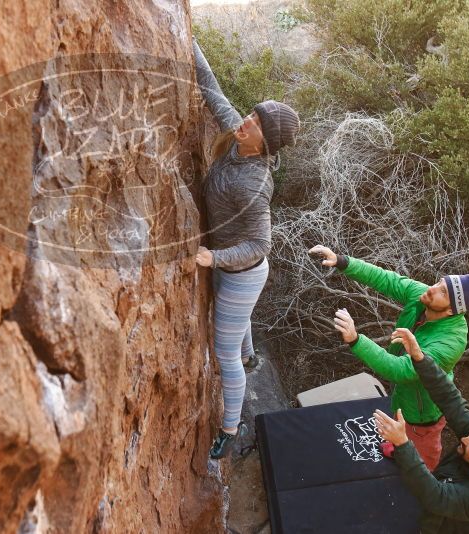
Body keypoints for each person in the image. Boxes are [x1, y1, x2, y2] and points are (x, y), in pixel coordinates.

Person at [193, 37, 300, 459]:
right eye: (253, 113)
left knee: (224, 354)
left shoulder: (254, 182)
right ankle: (253, 355)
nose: (247, 120)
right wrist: (190, 40)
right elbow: (210, 87)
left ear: (264, 144)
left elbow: (259, 244)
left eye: (255, 123)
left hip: (241, 272)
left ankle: (230, 426)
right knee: (239, 334)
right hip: (232, 266)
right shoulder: (237, 135)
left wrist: (214, 258)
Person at [310, 244, 469, 471]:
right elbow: (387, 279)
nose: (433, 288)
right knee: (400, 420)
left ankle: (427, 474)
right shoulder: (424, 297)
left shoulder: (451, 341)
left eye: (443, 292)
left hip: (424, 410)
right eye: (440, 282)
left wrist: (355, 339)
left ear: (452, 310)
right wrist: (343, 261)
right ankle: (399, 445)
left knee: (423, 444)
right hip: (403, 396)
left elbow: (401, 370)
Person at [374, 327, 469, 533]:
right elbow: (450, 399)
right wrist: (420, 358)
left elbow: (436, 496)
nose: (464, 439)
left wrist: (402, 443)